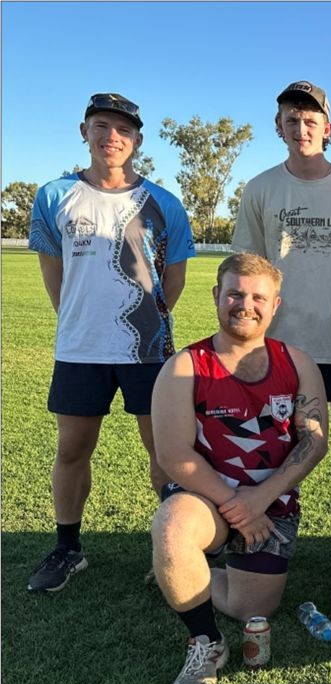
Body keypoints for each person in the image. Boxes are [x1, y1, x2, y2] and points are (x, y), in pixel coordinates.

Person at [27, 92, 195, 593]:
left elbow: (174, 280)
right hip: (79, 349)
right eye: (101, 126)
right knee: (72, 448)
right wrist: (83, 321)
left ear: (137, 140)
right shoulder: (54, 196)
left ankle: (175, 549)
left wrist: (146, 321)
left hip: (148, 350)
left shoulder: (164, 203)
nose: (111, 137)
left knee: (164, 452)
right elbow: (54, 276)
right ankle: (68, 548)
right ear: (85, 132)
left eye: (123, 130)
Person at [150, 253, 329, 684]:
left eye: (257, 297)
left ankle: (181, 571)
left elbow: (314, 441)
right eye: (234, 294)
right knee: (172, 528)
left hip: (272, 506)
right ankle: (206, 642)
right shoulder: (185, 366)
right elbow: (173, 454)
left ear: (275, 304)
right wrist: (238, 506)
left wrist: (260, 499)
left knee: (252, 608)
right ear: (216, 296)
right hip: (207, 499)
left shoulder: (297, 363)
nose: (245, 305)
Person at [232, 80, 331, 490]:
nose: (301, 129)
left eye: (310, 121)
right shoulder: (260, 189)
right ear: (278, 125)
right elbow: (248, 265)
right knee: (278, 431)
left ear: (327, 128)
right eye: (292, 120)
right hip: (280, 338)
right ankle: (274, 513)